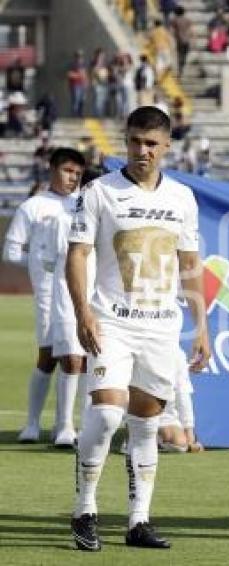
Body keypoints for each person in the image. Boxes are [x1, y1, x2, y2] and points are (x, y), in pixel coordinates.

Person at [67, 106, 210, 552]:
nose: (142, 151)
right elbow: (78, 255)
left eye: (151, 143)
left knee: (146, 423)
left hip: (162, 328)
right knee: (108, 413)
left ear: (167, 145)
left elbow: (190, 266)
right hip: (110, 321)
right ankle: (84, 510)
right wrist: (82, 314)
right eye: (134, 141)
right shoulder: (98, 192)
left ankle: (138, 521)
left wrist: (201, 325)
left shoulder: (183, 198)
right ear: (125, 141)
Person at [3, 148, 86, 444]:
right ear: (52, 170)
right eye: (67, 171)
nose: (72, 178)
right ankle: (33, 424)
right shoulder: (34, 207)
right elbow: (11, 251)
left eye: (77, 173)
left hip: (76, 289)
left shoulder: (83, 205)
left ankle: (65, 426)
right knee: (48, 356)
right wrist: (41, 265)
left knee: (76, 357)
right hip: (47, 291)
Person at [42, 152, 96, 449]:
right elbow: (49, 261)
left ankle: (87, 424)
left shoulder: (109, 215)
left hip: (99, 295)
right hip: (66, 294)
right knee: (72, 360)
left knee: (91, 359)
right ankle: (63, 425)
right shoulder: (63, 219)